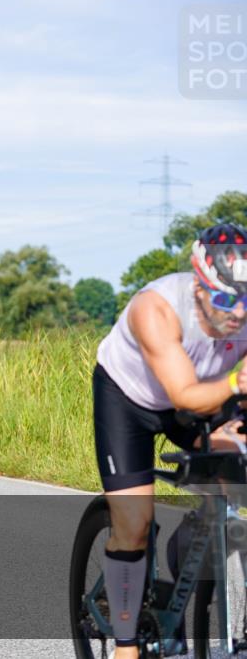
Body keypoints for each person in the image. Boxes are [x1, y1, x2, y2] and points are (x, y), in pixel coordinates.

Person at [94, 223, 247, 657]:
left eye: (245, 302)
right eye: (223, 300)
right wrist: (238, 380)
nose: (236, 315)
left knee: (231, 484)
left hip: (210, 391)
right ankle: (125, 641)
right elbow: (183, 397)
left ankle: (182, 578)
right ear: (199, 287)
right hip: (131, 400)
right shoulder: (156, 309)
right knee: (134, 522)